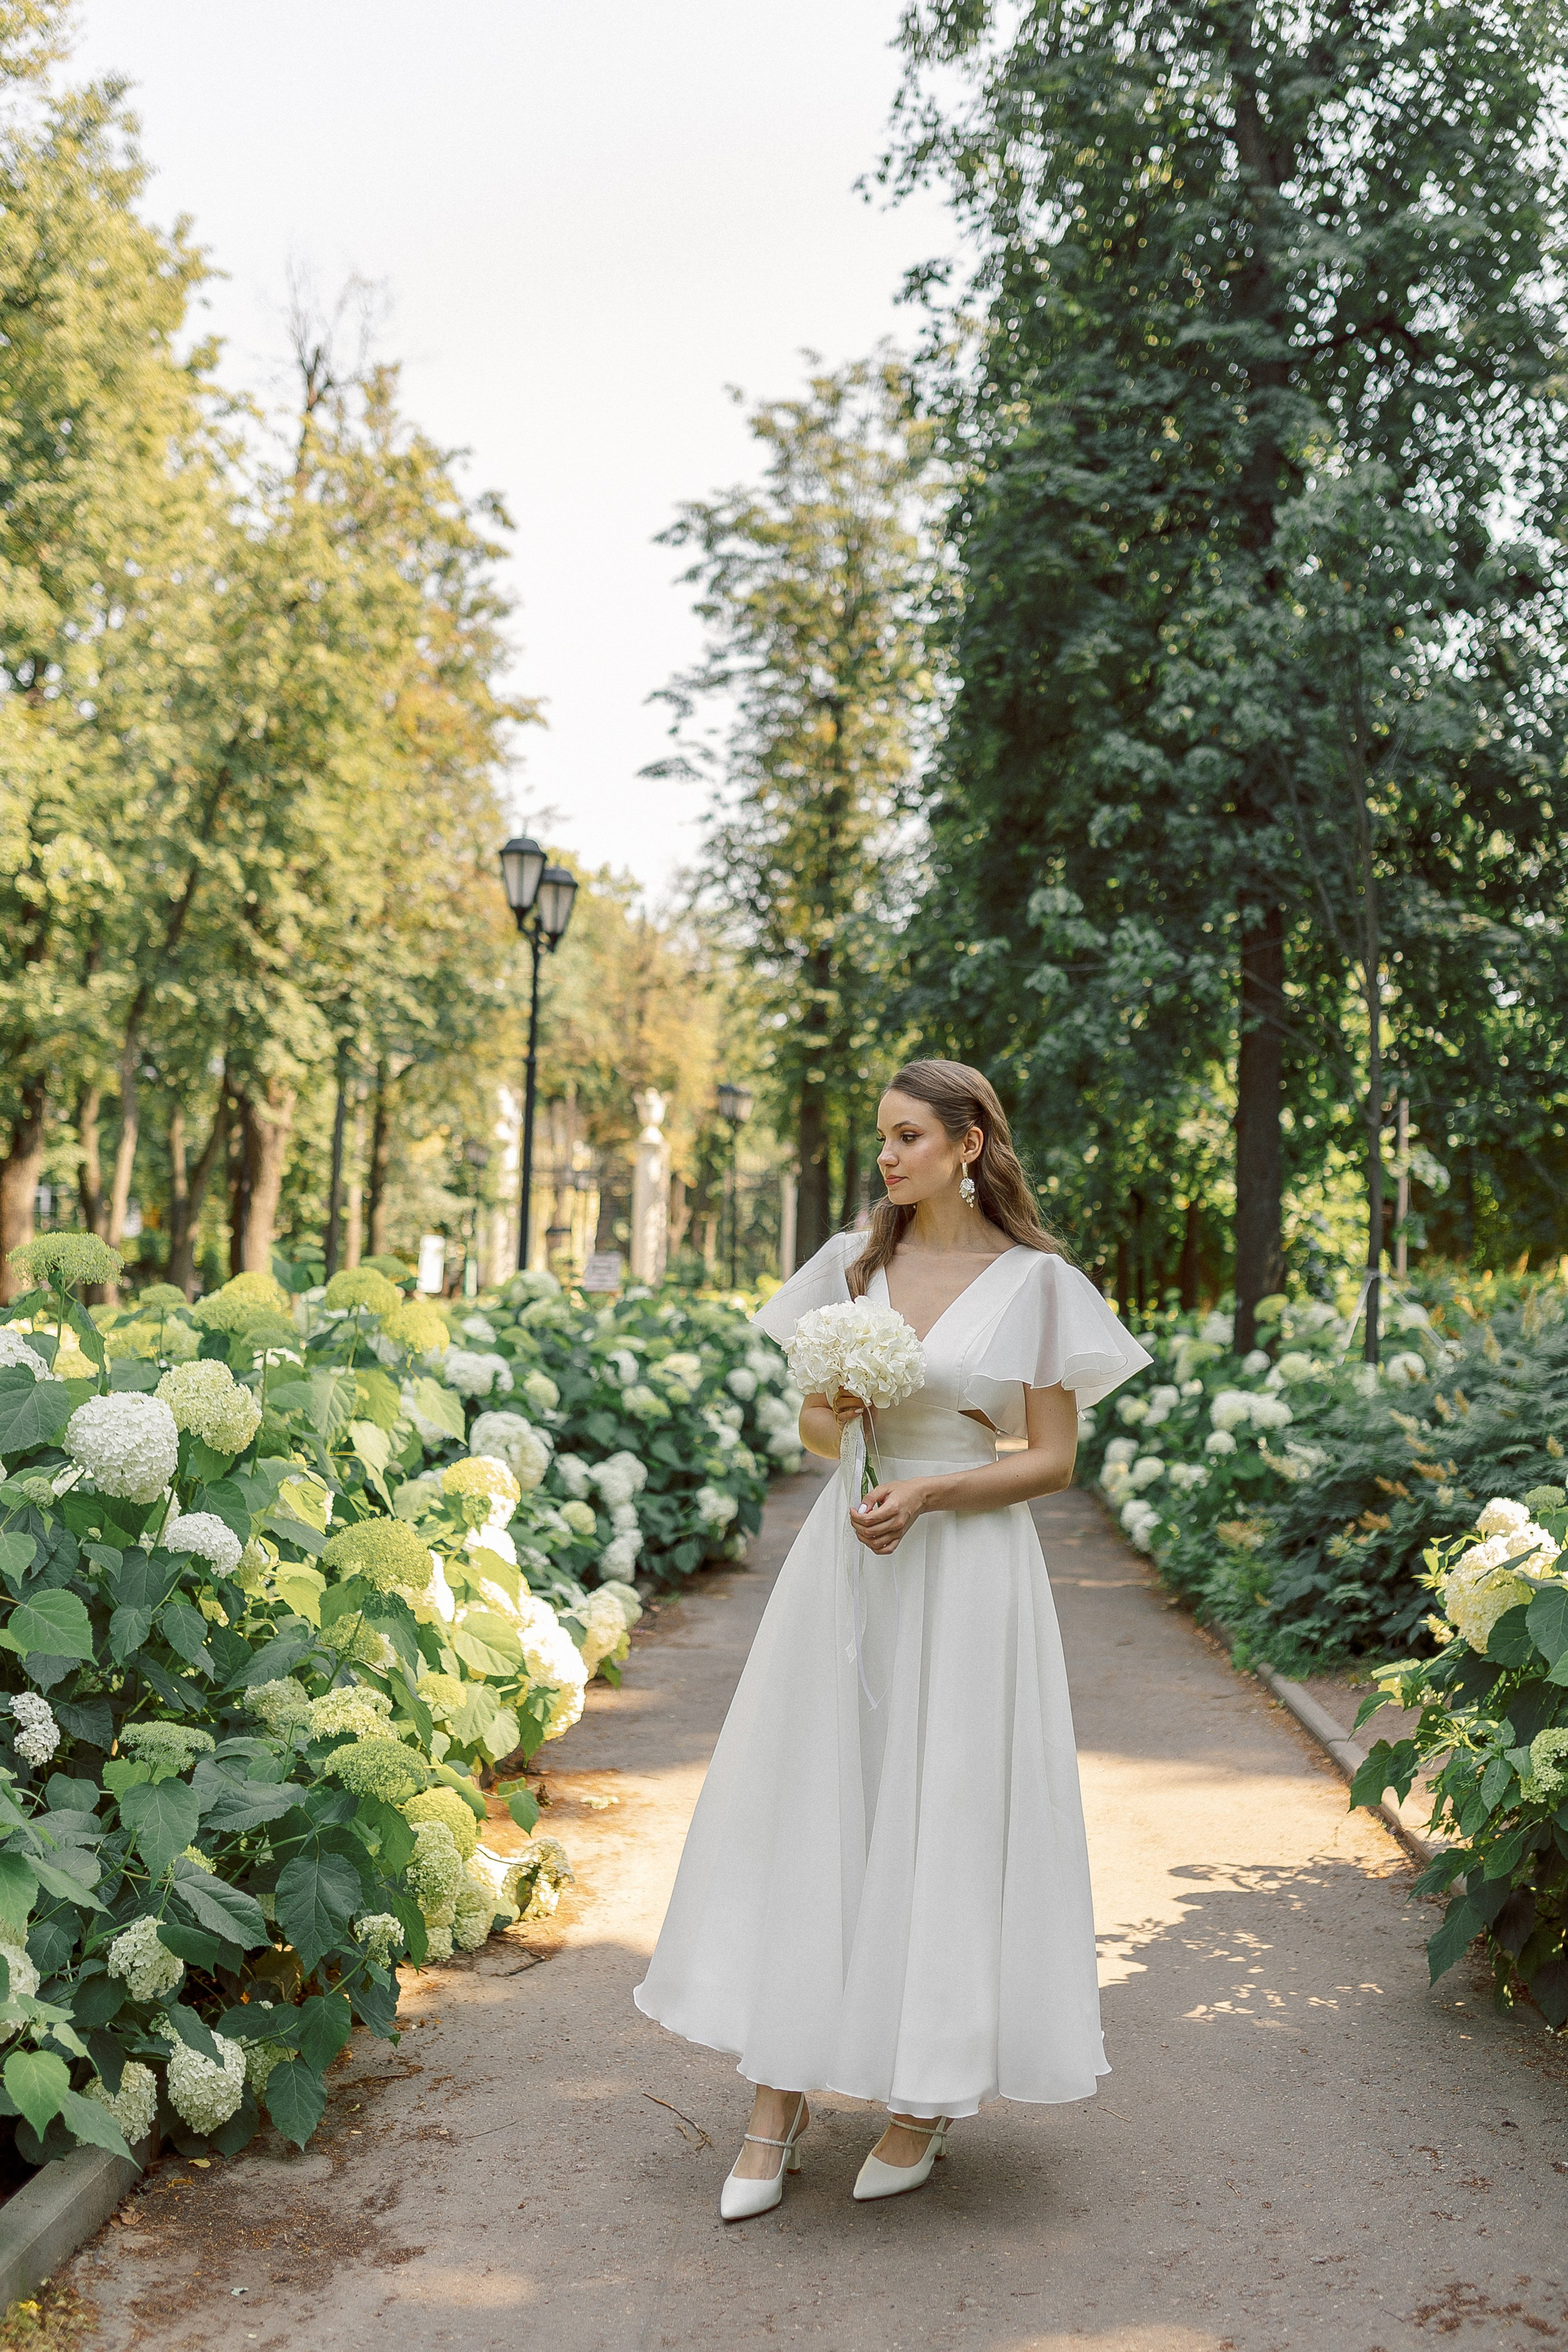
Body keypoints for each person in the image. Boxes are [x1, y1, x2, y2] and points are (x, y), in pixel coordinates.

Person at [634, 1059, 1152, 2218]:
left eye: (911, 1136)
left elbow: (1055, 1461)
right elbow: (817, 1424)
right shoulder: (851, 1265)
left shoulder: (1039, 1285)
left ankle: (925, 2095)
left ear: (970, 1145)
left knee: (949, 1807)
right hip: (849, 1566)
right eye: (882, 1137)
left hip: (967, 1568)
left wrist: (931, 1492)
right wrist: (850, 1422)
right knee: (820, 1795)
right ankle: (778, 2097)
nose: (889, 1156)